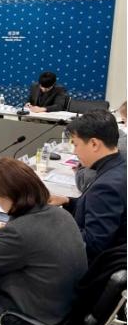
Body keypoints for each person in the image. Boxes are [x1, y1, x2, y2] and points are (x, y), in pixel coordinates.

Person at [0, 158, 87, 325]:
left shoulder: (19, 232)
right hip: (61, 311)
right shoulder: (61, 214)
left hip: (26, 323)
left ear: (6, 195)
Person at [49, 111, 126, 262]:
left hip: (93, 266)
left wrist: (51, 228)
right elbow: (97, 207)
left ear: (94, 144)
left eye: (76, 144)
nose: (74, 152)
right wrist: (67, 201)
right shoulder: (119, 164)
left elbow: (91, 245)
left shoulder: (106, 187)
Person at [75, 101, 126, 192]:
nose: (124, 125)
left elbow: (84, 183)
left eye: (124, 121)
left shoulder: (120, 146)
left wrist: (81, 166)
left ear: (94, 143)